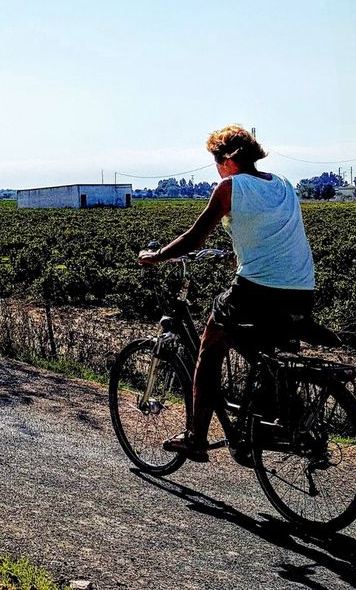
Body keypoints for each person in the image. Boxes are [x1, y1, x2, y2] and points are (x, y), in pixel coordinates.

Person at [138, 125, 316, 461]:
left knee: (210, 344)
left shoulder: (229, 187)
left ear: (227, 160)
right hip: (302, 288)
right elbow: (272, 232)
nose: (216, 168)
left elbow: (195, 237)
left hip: (260, 288)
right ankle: (264, 423)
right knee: (265, 355)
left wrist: (157, 256)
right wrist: (239, 255)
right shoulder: (283, 184)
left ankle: (195, 437)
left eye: (216, 161)